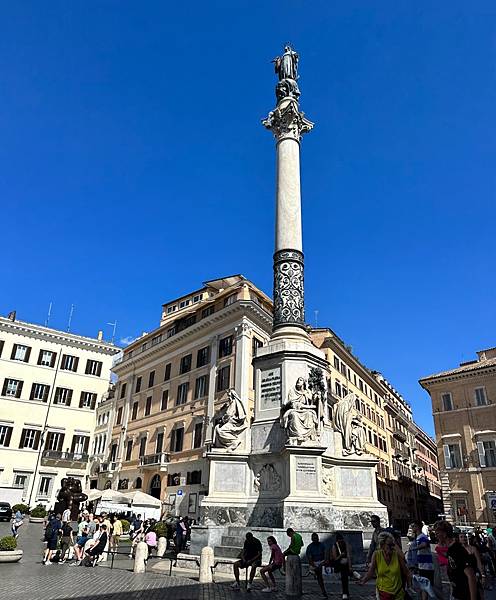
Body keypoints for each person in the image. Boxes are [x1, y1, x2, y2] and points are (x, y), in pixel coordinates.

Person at [360, 531, 412, 599]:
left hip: (398, 593)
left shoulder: (397, 555)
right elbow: (371, 572)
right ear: (382, 545)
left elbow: (406, 572)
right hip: (383, 592)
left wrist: (409, 587)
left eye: (393, 545)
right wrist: (363, 580)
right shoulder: (377, 555)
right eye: (389, 545)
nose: (392, 547)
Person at [434, 520, 478, 600]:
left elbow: (471, 576)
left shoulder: (457, 550)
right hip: (457, 593)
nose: (436, 536)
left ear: (444, 534)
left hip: (466, 595)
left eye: (437, 533)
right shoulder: (450, 549)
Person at [410, 520, 434, 594]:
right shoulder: (418, 537)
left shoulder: (422, 536)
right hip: (422, 564)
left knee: (428, 586)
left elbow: (424, 544)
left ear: (417, 527)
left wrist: (414, 548)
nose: (411, 528)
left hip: (427, 565)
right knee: (424, 586)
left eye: (413, 526)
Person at [459, 532, 485, 598]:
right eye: (461, 537)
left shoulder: (473, 548)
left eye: (465, 536)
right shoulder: (458, 551)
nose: (463, 538)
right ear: (459, 539)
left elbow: (479, 562)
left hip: (475, 575)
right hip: (463, 577)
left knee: (479, 594)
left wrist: (483, 575)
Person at [331, 532, 353, 600]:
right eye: (339, 542)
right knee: (344, 578)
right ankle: (345, 593)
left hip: (345, 563)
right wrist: (341, 555)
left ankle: (345, 592)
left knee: (345, 578)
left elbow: (349, 555)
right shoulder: (334, 546)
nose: (341, 543)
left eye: (341, 541)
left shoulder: (346, 544)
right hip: (339, 563)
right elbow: (335, 558)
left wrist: (350, 566)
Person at [306, 532, 328, 598]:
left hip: (322, 562)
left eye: (316, 538)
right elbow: (310, 559)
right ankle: (323, 590)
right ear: (312, 539)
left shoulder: (322, 545)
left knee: (320, 573)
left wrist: (322, 563)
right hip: (314, 563)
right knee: (319, 574)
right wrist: (314, 565)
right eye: (314, 538)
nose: (316, 539)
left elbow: (326, 556)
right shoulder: (310, 547)